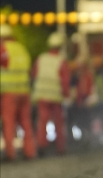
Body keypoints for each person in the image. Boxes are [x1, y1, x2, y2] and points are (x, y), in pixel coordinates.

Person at [0, 23, 36, 161]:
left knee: (9, 122)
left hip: (8, 92)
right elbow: (29, 70)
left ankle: (11, 153)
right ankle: (30, 152)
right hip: (24, 91)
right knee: (26, 122)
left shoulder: (2, 49)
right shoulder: (21, 49)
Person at [32, 31, 71, 155]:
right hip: (56, 97)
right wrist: (66, 95)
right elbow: (65, 81)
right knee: (58, 122)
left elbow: (34, 74)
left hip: (42, 96)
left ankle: (42, 146)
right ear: (60, 47)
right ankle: (60, 148)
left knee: (42, 121)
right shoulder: (61, 61)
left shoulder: (41, 58)